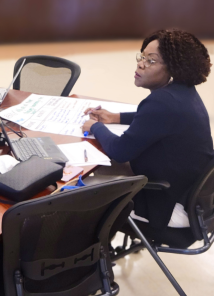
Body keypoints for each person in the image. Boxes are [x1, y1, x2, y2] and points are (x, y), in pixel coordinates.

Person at [82, 29, 214, 235]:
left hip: (168, 207)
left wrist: (94, 127)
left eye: (151, 61)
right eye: (142, 56)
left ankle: (88, 261)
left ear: (174, 69)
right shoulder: (182, 94)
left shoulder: (163, 102)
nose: (141, 64)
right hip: (191, 201)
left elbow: (119, 151)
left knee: (78, 192)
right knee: (96, 168)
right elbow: (153, 118)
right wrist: (114, 117)